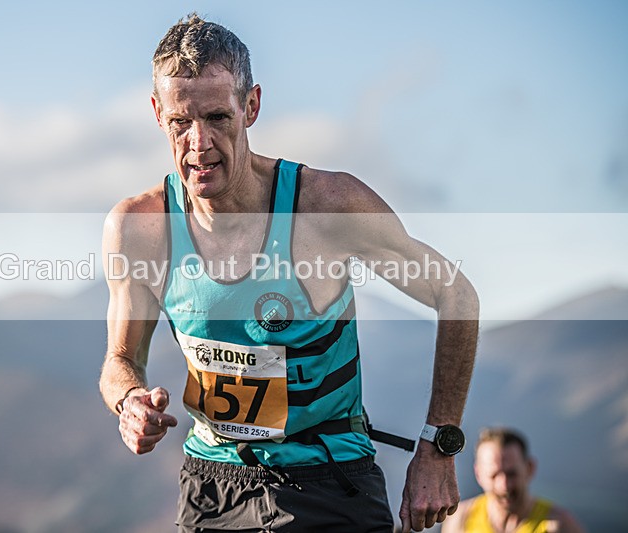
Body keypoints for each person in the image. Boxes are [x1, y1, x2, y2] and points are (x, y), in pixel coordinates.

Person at [99, 13, 479, 532]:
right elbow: (120, 360)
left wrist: (439, 446)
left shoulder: (325, 206)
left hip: (330, 484)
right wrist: (129, 402)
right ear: (157, 113)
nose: (199, 142)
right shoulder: (139, 227)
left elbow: (455, 295)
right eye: (180, 122)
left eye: (217, 117)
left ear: (251, 106)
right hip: (211, 489)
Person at [441, 427, 586, 533]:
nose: (504, 485)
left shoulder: (558, 524)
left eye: (512, 474)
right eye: (494, 475)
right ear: (478, 474)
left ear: (529, 468)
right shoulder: (461, 519)